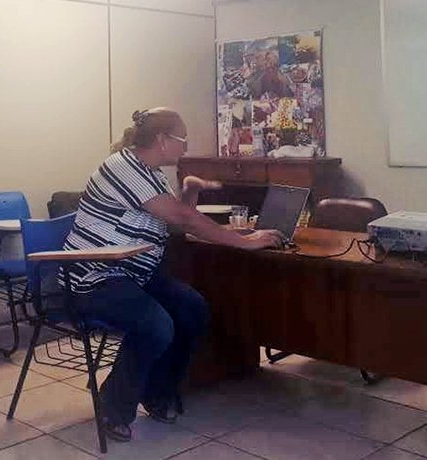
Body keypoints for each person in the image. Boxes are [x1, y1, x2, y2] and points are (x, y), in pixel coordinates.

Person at [63, 107, 285, 442]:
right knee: (155, 324)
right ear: (162, 140)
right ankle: (112, 408)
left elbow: (175, 222)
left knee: (192, 308)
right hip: (94, 277)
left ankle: (156, 392)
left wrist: (192, 193)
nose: (186, 146)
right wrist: (245, 242)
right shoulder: (122, 167)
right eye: (183, 139)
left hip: (131, 274)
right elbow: (184, 218)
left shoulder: (152, 175)